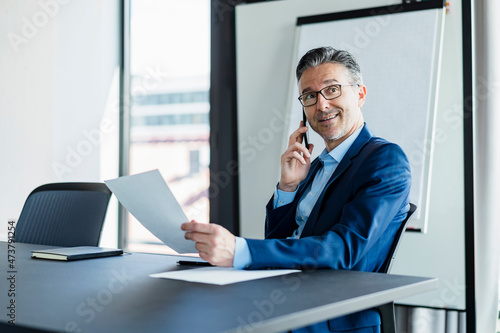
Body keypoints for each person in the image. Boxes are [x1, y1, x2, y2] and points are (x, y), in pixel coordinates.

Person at [182, 46, 411, 333]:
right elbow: (280, 242)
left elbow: (343, 250)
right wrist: (288, 187)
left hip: (329, 317)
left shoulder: (384, 160)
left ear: (360, 94)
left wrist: (240, 249)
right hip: (284, 301)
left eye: (332, 90)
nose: (322, 105)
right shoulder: (314, 167)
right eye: (310, 96)